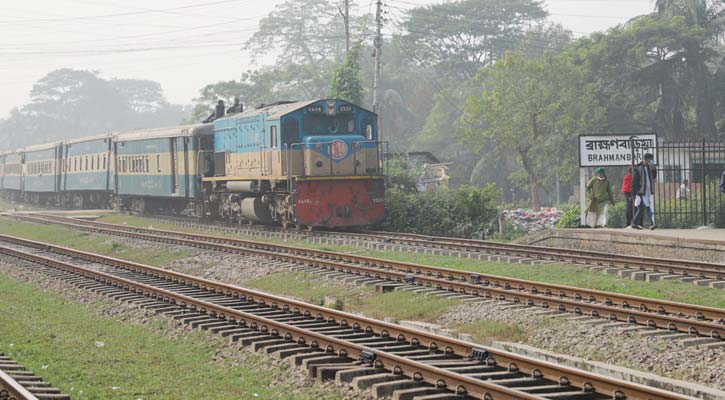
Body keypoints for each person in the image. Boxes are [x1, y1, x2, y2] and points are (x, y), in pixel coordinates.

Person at [632, 153, 657, 230]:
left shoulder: (650, 168)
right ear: (646, 159)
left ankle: (634, 223)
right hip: (641, 191)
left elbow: (653, 176)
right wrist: (634, 191)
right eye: (649, 160)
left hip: (648, 191)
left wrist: (653, 170)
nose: (650, 162)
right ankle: (652, 223)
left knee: (641, 208)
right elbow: (634, 181)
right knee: (647, 206)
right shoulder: (638, 168)